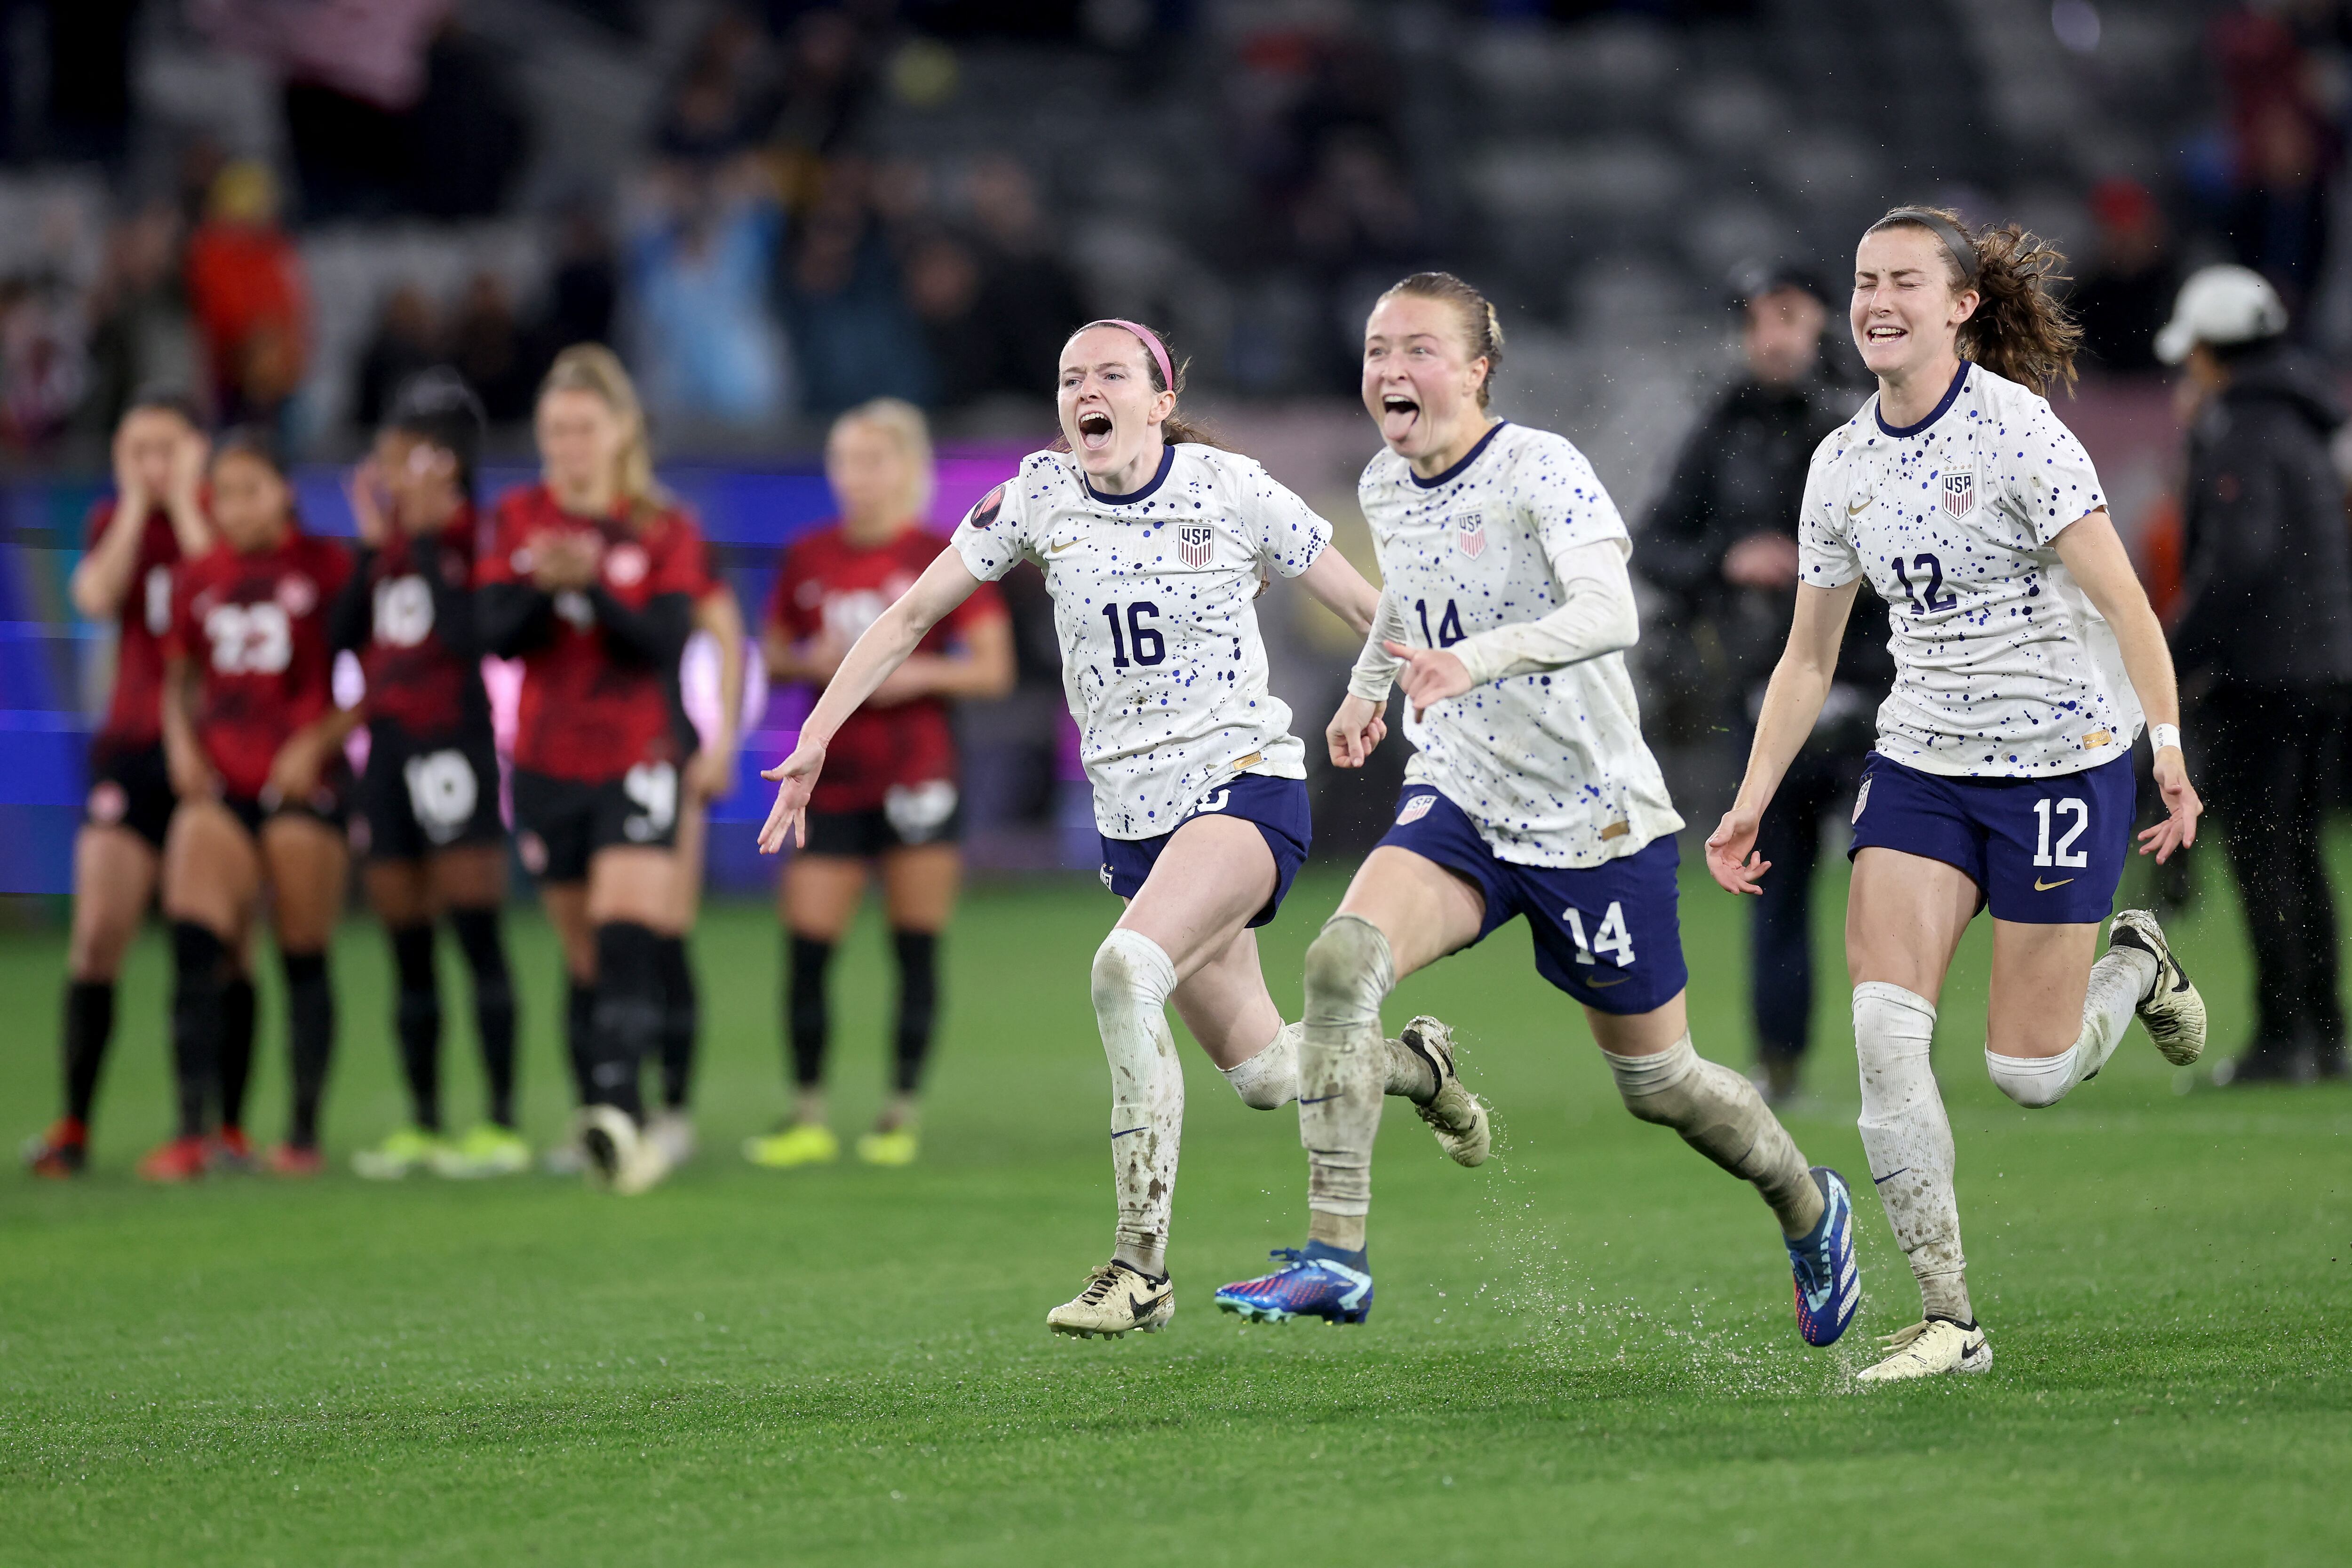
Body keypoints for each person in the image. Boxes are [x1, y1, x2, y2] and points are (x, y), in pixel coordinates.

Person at [757, 319, 1486, 1338]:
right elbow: (908, 617)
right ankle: (1417, 1066)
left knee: (1122, 969)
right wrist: (817, 737)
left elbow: (1370, 605)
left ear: (1157, 394)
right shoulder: (1036, 496)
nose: (1084, 391)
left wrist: (1430, 690)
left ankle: (1140, 1266)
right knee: (1271, 1074)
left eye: (1108, 374)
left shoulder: (1231, 488)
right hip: (1137, 824)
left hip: (1244, 786)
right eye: (1068, 377)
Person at [1212, 274, 1858, 1344]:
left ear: (1475, 369)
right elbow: (1413, 603)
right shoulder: (1383, 482)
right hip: (1461, 794)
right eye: (1377, 350)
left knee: (1660, 1086)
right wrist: (1369, 689)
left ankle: (1808, 1203)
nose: (1389, 371)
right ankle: (1335, 1253)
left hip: (1590, 819)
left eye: (1417, 349)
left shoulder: (1540, 467)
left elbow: (1610, 610)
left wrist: (1476, 658)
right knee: (1338, 965)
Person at [1707, 206, 2209, 1383]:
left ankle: (2131, 959)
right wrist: (1748, 796)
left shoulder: (2019, 436)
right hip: (1924, 762)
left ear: (1959, 305)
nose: (1875, 300)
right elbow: (1807, 658)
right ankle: (1950, 1319)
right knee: (1885, 1033)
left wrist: (2170, 750)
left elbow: (2130, 605)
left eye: (1902, 282)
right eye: (1862, 280)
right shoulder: (1841, 461)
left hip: (2058, 761)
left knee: (2027, 1074)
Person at [747, 398, 1015, 1171]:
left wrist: (919, 669)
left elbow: (992, 667)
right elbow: (775, 654)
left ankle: (898, 1110)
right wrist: (818, 660)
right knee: (807, 944)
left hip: (918, 773)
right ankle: (806, 1112)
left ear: (907, 468)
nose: (857, 478)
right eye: (845, 462)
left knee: (914, 944)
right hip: (830, 777)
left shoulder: (942, 551)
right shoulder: (808, 555)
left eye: (873, 461)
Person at [1643, 265, 1886, 1103]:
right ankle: (1780, 1067)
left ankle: (1895, 1057)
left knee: (1895, 884)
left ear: (1826, 320)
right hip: (1766, 694)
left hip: (1880, 690)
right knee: (1770, 886)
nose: (1770, 336)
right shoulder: (1726, 425)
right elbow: (1657, 545)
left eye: (1786, 315)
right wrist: (1727, 558)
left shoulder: (1873, 414)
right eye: (1756, 321)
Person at [479, 345, 706, 1194]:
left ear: (620, 431)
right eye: (555, 429)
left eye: (584, 427)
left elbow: (664, 642)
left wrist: (597, 590)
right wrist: (546, 586)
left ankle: (628, 1119)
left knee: (624, 934)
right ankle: (601, 1117)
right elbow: (495, 635)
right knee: (581, 951)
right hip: (544, 760)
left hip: (638, 752)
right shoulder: (518, 518)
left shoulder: (658, 527)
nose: (569, 443)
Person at [2157, 264, 2352, 1084]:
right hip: (2320, 667)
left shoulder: (2242, 430)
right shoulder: (2303, 421)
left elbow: (2238, 563)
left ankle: (2282, 1039)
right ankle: (2324, 1034)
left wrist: (2171, 656)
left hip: (2266, 679)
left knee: (2265, 854)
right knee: (2299, 851)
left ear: (2211, 351)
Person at [331, 369, 526, 1179]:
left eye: (399, 455)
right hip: (387, 750)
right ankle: (423, 1121)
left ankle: (501, 1122)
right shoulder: (385, 546)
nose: (383, 470)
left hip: (454, 744)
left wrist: (413, 538)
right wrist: (378, 543)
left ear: (440, 463)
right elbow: (340, 637)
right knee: (406, 944)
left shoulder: (476, 536)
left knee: (474, 934)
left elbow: (464, 636)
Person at [147, 430, 356, 1180]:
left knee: (300, 950)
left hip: (307, 788)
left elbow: (379, 671)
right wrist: (180, 745)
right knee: (199, 943)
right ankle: (198, 1130)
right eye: (222, 494)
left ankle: (300, 1131)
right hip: (225, 782)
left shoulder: (329, 566)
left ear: (285, 492)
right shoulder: (198, 576)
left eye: (249, 490)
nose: (233, 507)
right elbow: (177, 678)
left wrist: (320, 738)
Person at [27, 395, 227, 1177]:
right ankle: (74, 1124)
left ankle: (201, 1129)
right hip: (131, 746)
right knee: (97, 930)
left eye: (166, 448)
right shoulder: (116, 521)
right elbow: (95, 597)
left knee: (206, 935)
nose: (151, 462)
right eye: (136, 448)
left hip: (211, 753)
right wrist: (143, 505)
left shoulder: (218, 516)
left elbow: (223, 594)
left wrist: (182, 500)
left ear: (196, 450)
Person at [644, 519, 749, 1169]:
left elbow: (729, 639)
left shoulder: (666, 539)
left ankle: (673, 1108)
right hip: (564, 760)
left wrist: (720, 743)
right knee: (585, 950)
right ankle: (605, 1106)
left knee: (664, 932)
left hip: (659, 750)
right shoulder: (535, 526)